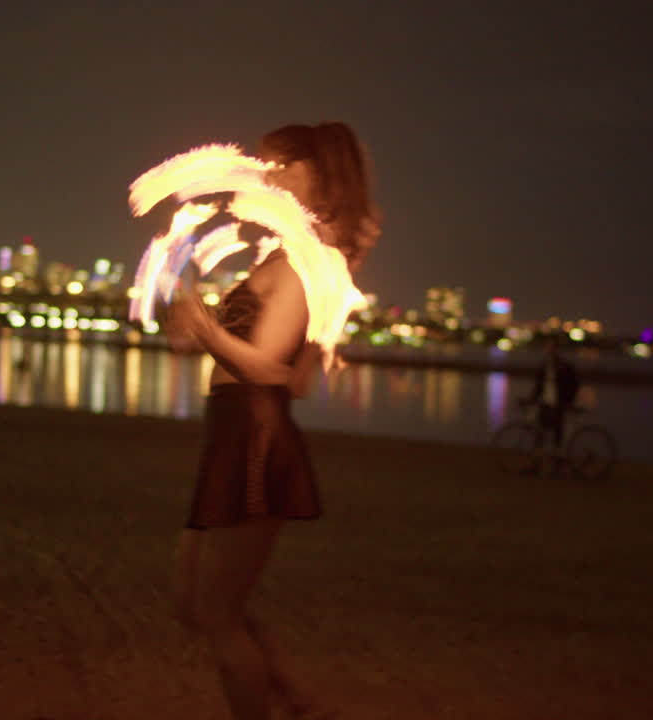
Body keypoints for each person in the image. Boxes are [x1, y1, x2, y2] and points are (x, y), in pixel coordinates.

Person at [164, 122, 379, 720]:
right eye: (267, 164)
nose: (270, 175)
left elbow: (266, 369)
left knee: (216, 614)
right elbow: (294, 373)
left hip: (254, 438)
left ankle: (278, 705)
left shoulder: (308, 266)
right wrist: (195, 329)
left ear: (319, 175)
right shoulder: (286, 256)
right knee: (193, 602)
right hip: (230, 432)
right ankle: (296, 699)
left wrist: (208, 328)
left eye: (285, 164)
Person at [521, 332, 580, 469]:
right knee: (539, 433)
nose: (549, 348)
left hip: (559, 404)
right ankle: (537, 464)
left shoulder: (564, 366)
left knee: (556, 435)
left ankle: (556, 465)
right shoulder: (544, 365)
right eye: (547, 346)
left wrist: (568, 400)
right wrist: (530, 399)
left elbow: (574, 384)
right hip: (545, 403)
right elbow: (539, 387)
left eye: (551, 346)